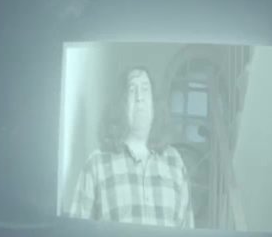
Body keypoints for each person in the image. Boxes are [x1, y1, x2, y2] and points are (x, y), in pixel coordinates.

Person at [67, 66, 195, 227]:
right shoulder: (97, 164)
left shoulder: (175, 162)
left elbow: (187, 232)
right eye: (132, 90)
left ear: (154, 104)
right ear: (121, 104)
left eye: (145, 90)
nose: (139, 97)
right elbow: (75, 234)